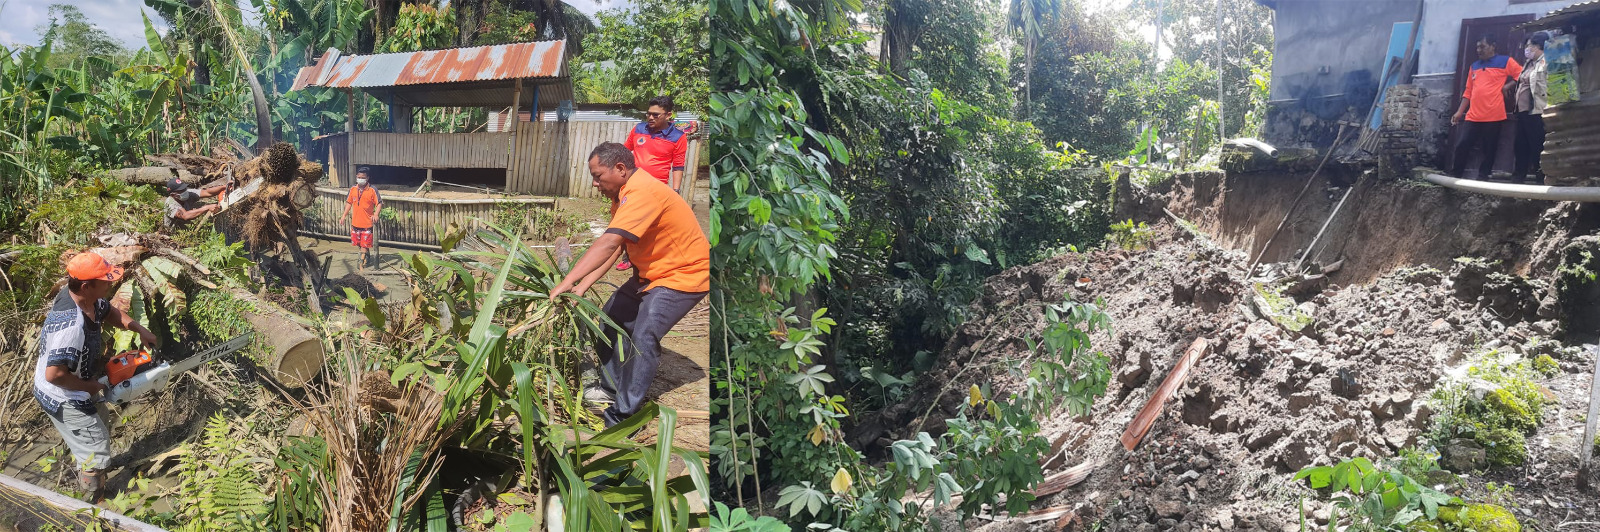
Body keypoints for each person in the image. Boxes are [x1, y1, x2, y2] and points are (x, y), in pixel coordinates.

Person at [551, 142, 709, 427]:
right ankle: (610, 389)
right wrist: (582, 286)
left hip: (683, 275)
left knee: (643, 337)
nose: (595, 183)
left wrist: (567, 280)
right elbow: (616, 246)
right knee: (610, 318)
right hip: (650, 274)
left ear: (621, 169)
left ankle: (624, 416)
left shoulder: (643, 193)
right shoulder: (622, 195)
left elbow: (608, 241)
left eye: (598, 176)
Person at [34, 251, 158, 503]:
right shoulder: (71, 325)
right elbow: (54, 374)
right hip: (63, 394)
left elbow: (108, 312)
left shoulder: (86, 300)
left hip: (76, 384)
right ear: (85, 285)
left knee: (99, 423)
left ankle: (90, 468)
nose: (110, 283)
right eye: (105, 280)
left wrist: (139, 328)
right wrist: (88, 386)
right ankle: (94, 504)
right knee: (95, 449)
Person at [1450, 33, 1522, 180]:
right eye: (1477, 47)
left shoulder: (1505, 61)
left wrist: (1507, 86)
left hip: (1494, 115)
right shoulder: (1474, 66)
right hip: (1473, 116)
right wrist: (1459, 112)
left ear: (1492, 46)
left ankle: (1483, 176)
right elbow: (1468, 91)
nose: (1479, 50)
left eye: (1482, 46)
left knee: (1489, 148)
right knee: (1462, 144)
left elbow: (1522, 74)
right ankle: (1455, 174)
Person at [1513, 31, 1551, 184]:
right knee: (1520, 146)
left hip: (1536, 111)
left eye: (1529, 45)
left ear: (1538, 46)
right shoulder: (1528, 63)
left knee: (1537, 147)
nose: (1527, 49)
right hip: (1522, 112)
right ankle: (1517, 179)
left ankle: (1541, 180)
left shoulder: (1547, 62)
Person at [339, 167, 384, 271]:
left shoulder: (373, 190)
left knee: (364, 244)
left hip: (367, 224)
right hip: (356, 223)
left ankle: (361, 264)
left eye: (363, 177)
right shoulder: (353, 189)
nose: (360, 179)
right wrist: (343, 216)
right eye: (359, 177)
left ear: (367, 178)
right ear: (356, 177)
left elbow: (379, 203)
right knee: (360, 244)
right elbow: (349, 203)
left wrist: (376, 214)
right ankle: (366, 256)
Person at [163, 176, 228, 229]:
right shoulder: (170, 204)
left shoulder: (188, 192)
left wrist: (223, 187)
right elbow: (185, 216)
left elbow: (207, 192)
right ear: (173, 195)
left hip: (186, 228)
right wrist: (206, 208)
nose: (184, 191)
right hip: (173, 234)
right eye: (181, 191)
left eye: (184, 189)